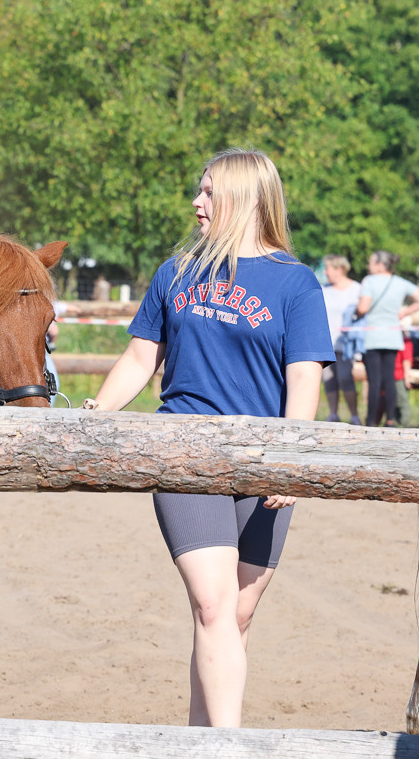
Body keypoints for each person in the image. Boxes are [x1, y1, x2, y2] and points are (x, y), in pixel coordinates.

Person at [84, 148, 333, 728]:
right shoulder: (176, 273)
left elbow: (304, 378)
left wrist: (290, 462)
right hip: (184, 452)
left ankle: (199, 739)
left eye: (208, 192)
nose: (196, 203)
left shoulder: (297, 284)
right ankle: (226, 748)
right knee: (214, 604)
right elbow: (142, 356)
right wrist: (96, 411)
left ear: (245, 199)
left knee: (233, 617)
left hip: (266, 460)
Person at [354, 251, 419, 427]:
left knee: (374, 380)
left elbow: (363, 307)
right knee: (389, 379)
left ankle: (371, 421)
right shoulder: (399, 283)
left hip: (373, 336)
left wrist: (356, 311)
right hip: (392, 336)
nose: (368, 266)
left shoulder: (369, 281)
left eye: (371, 263)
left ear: (380, 265)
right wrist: (405, 311)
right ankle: (390, 419)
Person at [320, 255, 362, 424]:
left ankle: (354, 415)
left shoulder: (357, 289)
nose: (325, 272)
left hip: (346, 344)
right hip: (326, 343)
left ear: (339, 269)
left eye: (327, 268)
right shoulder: (324, 289)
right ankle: (333, 414)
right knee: (328, 380)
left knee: (346, 379)